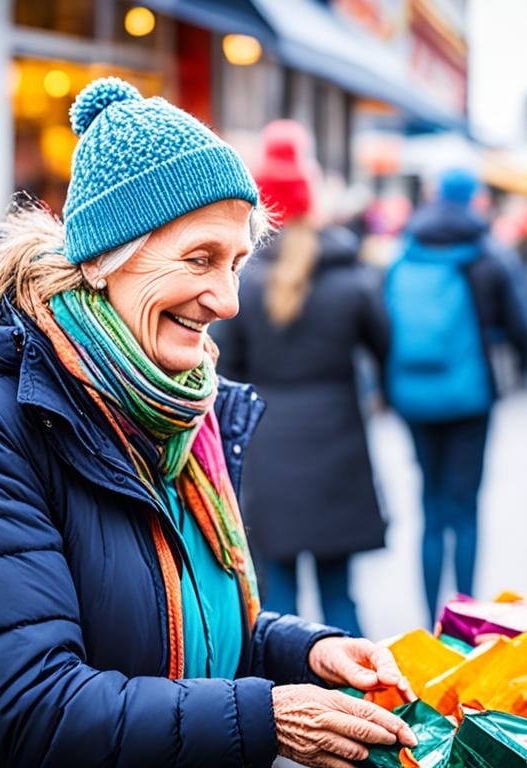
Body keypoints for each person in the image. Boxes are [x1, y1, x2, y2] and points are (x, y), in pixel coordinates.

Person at [0, 79, 416, 767]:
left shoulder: (166, 404)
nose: (229, 300)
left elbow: (160, 619)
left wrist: (304, 652)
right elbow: (34, 708)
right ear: (102, 256)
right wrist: (268, 717)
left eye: (238, 262)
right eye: (200, 258)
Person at [214, 120, 388, 638]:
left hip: (271, 447)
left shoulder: (244, 281)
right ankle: (366, 698)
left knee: (278, 596)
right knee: (340, 592)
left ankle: (288, 703)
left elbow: (226, 366)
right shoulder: (350, 275)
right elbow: (384, 344)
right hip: (338, 441)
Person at [385, 168, 527, 619]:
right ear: (472, 200)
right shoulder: (486, 256)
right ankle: (465, 617)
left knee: (430, 506)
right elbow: (524, 329)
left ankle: (427, 614)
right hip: (470, 399)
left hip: (414, 398)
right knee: (465, 508)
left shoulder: (405, 252)